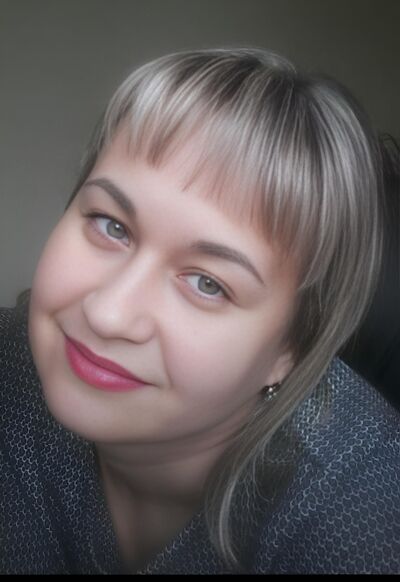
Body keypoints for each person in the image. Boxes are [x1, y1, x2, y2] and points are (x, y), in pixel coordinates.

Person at [1, 48, 399, 575]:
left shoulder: (367, 509)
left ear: (292, 349)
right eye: (111, 225)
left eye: (208, 283)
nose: (107, 314)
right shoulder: (10, 368)